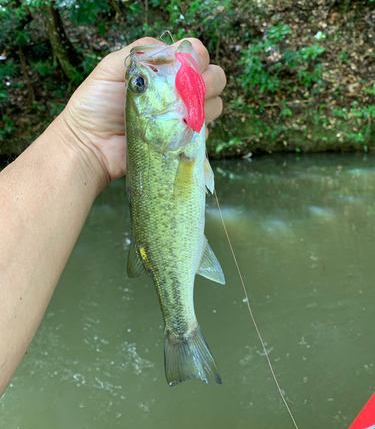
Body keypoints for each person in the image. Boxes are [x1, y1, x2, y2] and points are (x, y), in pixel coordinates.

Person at [0, 37, 226, 396]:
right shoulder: (171, 142)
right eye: (140, 84)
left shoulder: (168, 140)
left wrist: (82, 143)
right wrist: (81, 140)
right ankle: (181, 332)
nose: (144, 75)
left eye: (139, 83)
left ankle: (182, 333)